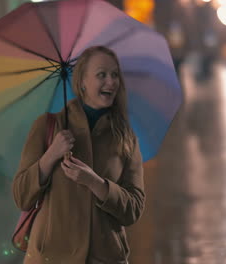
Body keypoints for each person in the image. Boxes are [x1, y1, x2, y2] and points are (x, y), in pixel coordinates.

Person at [12, 46, 145, 264]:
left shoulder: (125, 137)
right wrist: (51, 156)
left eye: (114, 75)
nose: (111, 82)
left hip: (104, 257)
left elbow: (134, 209)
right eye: (102, 74)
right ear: (82, 81)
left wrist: (96, 183)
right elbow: (21, 196)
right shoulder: (47, 126)